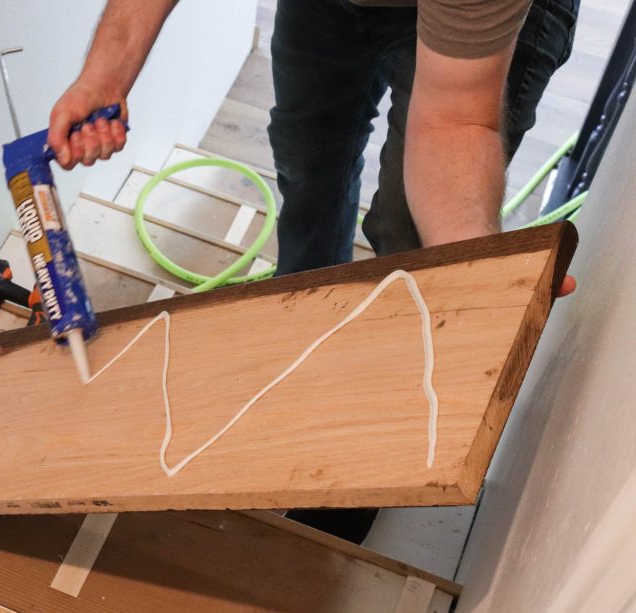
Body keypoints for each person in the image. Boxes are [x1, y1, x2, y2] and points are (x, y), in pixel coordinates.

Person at [48, 0, 579, 541]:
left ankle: (358, 466)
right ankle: (301, 348)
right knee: (308, 163)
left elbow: (455, 118)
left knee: (415, 249)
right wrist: (103, 77)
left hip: (472, 30)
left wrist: (474, 270)